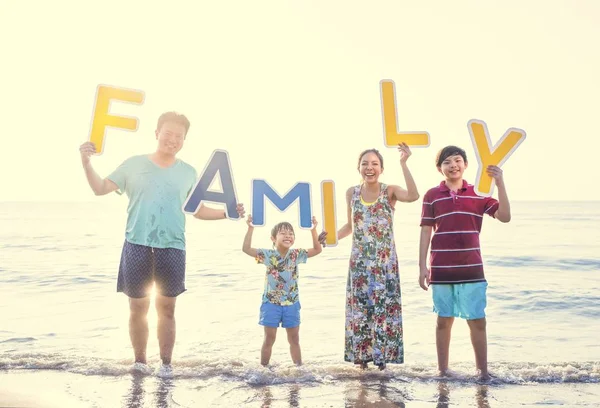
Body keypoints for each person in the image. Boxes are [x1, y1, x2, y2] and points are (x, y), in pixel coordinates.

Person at [79, 111, 245, 377]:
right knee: (137, 307)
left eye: (179, 136)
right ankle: (140, 363)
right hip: (137, 244)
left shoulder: (188, 172)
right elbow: (100, 188)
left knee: (167, 308)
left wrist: (228, 212)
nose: (173, 140)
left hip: (173, 246)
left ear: (184, 140)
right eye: (168, 134)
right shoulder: (133, 164)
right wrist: (86, 162)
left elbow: (198, 210)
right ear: (157, 133)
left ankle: (166, 366)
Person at [418, 145, 511, 381]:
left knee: (477, 321)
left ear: (466, 164)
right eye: (447, 162)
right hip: (442, 269)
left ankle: (482, 373)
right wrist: (422, 266)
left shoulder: (478, 194)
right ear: (440, 169)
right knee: (443, 321)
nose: (453, 166)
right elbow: (426, 231)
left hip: (472, 268)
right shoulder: (432, 195)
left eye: (457, 160)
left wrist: (500, 183)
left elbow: (505, 217)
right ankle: (442, 372)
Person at [331, 143, 419, 370]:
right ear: (358, 167)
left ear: (381, 168)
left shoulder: (389, 191)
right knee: (360, 314)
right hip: (359, 265)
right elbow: (349, 226)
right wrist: (329, 237)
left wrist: (404, 162)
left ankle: (381, 365)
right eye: (365, 164)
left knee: (382, 312)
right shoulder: (352, 192)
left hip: (384, 265)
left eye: (374, 164)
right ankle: (361, 366)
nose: (369, 168)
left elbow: (413, 195)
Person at [242, 215, 324, 366]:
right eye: (283, 233)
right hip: (271, 303)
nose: (288, 236)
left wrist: (313, 230)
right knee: (269, 339)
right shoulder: (268, 255)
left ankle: (299, 369)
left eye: (291, 233)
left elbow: (318, 249)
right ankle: (264, 369)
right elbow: (246, 249)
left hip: (291, 303)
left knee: (294, 339)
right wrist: (250, 228)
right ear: (273, 238)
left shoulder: (296, 254)